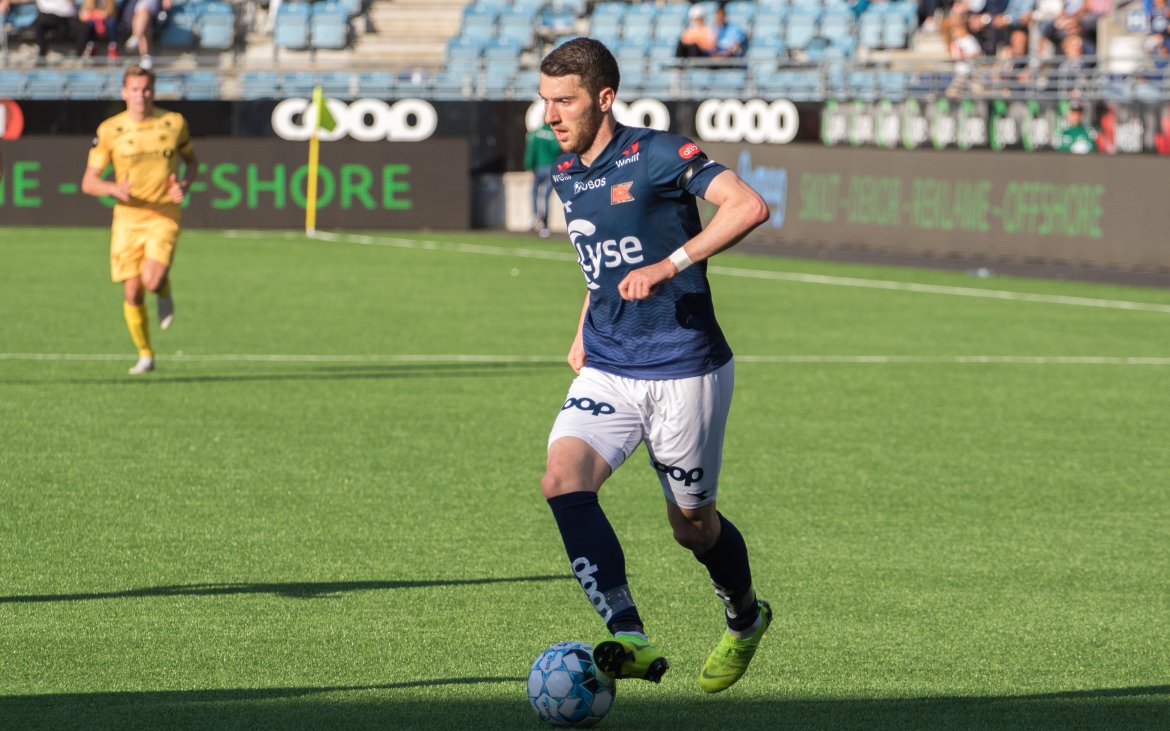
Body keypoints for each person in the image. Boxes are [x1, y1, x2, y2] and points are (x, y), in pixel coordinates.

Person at [537, 37, 772, 694]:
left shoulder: (660, 154)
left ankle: (745, 617)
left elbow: (748, 205)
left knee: (691, 526)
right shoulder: (565, 173)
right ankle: (628, 633)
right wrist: (583, 327)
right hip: (610, 365)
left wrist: (669, 265)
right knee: (562, 478)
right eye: (545, 101)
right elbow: (602, 263)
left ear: (604, 98)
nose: (551, 115)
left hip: (684, 367)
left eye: (565, 101)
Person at [81, 66, 197, 375]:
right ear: (124, 93)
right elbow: (88, 182)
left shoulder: (173, 123)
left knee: (152, 279)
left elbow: (192, 162)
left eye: (146, 89)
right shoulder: (109, 130)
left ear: (153, 92)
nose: (140, 95)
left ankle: (163, 289)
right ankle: (146, 354)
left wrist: (183, 185)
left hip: (163, 213)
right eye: (134, 89)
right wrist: (112, 188)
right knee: (132, 292)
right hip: (127, 218)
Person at [0, 0, 77, 60]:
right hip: (47, 16)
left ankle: (77, 55)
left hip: (64, 17)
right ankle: (42, 54)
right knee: (40, 25)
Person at [524, 121, 561, 238]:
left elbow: (531, 151)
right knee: (545, 196)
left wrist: (529, 166)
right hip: (551, 167)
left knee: (534, 192)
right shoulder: (553, 134)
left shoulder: (535, 134)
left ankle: (535, 214)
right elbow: (557, 149)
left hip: (538, 167)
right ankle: (545, 226)